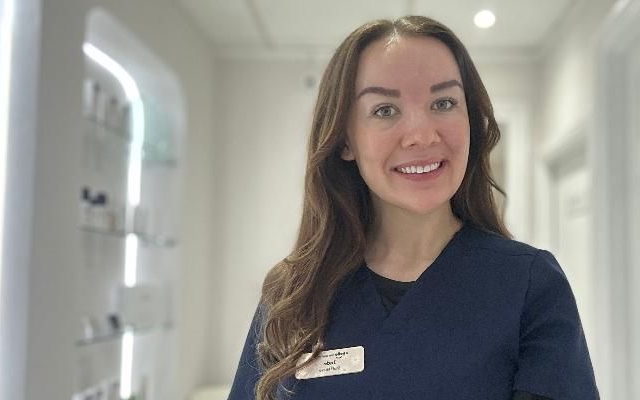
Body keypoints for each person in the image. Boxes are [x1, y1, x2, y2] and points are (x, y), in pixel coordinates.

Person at [228, 16, 598, 400]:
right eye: (385, 110)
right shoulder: (293, 292)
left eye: (444, 103)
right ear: (344, 140)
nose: (422, 134)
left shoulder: (529, 285)